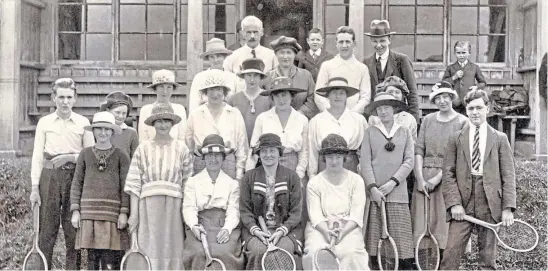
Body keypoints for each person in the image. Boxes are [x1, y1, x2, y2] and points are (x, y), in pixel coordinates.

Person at [440, 89, 516, 270]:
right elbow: (448, 173)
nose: (475, 112)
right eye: (471, 108)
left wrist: (507, 208)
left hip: (489, 202)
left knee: (487, 259)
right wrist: (454, 204)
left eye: (479, 108)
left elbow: (509, 175)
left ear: (487, 109)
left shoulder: (500, 138)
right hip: (463, 200)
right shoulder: (455, 138)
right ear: (466, 110)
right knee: (450, 255)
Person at [29, 78, 94, 270]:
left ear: (75, 99)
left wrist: (69, 157)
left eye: (69, 97)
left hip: (74, 178)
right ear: (53, 98)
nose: (65, 102)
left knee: (73, 229)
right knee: (46, 230)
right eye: (61, 97)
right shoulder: (44, 122)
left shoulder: (83, 122)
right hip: (49, 178)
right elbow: (37, 156)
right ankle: (43, 267)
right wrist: (34, 187)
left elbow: (88, 155)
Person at [124, 103, 193, 270]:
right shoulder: (143, 148)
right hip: (148, 207)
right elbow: (134, 184)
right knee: (149, 247)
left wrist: (186, 213)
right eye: (159, 121)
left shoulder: (181, 148)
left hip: (174, 207)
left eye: (167, 121)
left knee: (172, 247)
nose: (163, 125)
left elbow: (188, 184)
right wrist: (134, 215)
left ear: (172, 123)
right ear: (153, 124)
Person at [410, 81, 468, 263]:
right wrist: (419, 177)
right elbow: (419, 149)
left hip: (448, 177)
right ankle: (425, 263)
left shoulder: (462, 122)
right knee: (423, 221)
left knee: (443, 223)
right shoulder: (427, 120)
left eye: (446, 97)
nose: (442, 101)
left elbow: (460, 156)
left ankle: (445, 263)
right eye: (438, 98)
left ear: (452, 97)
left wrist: (437, 178)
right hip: (424, 177)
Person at [360, 92, 415, 270]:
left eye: (386, 107)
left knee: (400, 239)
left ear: (394, 109)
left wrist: (393, 182)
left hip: (397, 193)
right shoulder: (370, 132)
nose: (383, 112)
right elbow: (365, 162)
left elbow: (409, 161)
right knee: (375, 240)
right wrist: (373, 188)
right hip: (376, 194)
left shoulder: (405, 132)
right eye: (379, 108)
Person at [70, 111, 129, 270]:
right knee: (92, 261)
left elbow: (126, 186)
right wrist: (76, 210)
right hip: (89, 214)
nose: (103, 133)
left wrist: (124, 212)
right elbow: (77, 182)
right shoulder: (85, 154)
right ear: (93, 131)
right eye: (98, 129)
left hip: (111, 216)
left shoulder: (121, 156)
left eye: (106, 129)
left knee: (111, 261)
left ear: (112, 131)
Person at [302, 134, 369, 270]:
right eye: (330, 157)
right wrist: (327, 232)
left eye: (338, 157)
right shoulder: (314, 183)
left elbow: (356, 215)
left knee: (351, 254)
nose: (334, 161)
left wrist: (342, 232)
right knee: (314, 253)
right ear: (323, 158)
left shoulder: (356, 180)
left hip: (348, 228)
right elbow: (315, 216)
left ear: (344, 158)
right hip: (320, 229)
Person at [240, 133, 303, 270]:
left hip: (285, 230)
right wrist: (256, 231)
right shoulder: (249, 177)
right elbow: (245, 211)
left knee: (284, 249)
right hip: (256, 231)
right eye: (264, 151)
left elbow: (296, 212)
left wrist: (281, 231)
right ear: (259, 154)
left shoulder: (292, 177)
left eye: (272, 151)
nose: (268, 155)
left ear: (279, 153)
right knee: (258, 251)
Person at [182, 134, 244, 270]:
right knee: (198, 252)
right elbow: (189, 208)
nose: (213, 159)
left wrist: (227, 229)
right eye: (210, 155)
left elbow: (234, 210)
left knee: (224, 252)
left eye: (217, 155)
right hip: (200, 226)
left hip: (224, 225)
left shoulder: (232, 183)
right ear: (204, 158)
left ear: (223, 158)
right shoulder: (193, 182)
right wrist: (194, 226)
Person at [186, 70, 249, 180]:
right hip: (202, 162)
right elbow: (188, 146)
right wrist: (189, 173)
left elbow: (242, 146)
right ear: (206, 92)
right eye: (211, 89)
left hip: (227, 163)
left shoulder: (234, 114)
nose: (215, 94)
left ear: (224, 92)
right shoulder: (196, 114)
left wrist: (239, 173)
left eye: (219, 89)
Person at [246, 76, 309, 179]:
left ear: (292, 96)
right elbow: (253, 148)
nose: (281, 100)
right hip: (267, 164)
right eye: (276, 95)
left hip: (293, 166)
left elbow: (304, 152)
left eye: (284, 95)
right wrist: (249, 173)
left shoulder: (301, 119)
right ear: (272, 98)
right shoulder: (262, 118)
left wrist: (299, 174)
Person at [308, 77, 368, 179]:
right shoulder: (316, 121)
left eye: (341, 93)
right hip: (325, 166)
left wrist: (363, 172)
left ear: (346, 96)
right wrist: (312, 175)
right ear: (328, 96)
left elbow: (366, 150)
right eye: (334, 93)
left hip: (351, 167)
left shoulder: (358, 119)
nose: (338, 96)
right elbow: (312, 151)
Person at [363, 20, 420, 122]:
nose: (378, 45)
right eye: (375, 41)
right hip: (376, 117)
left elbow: (412, 94)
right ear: (371, 40)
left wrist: (414, 121)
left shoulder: (401, 60)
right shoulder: (366, 62)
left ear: (389, 40)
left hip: (398, 117)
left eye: (382, 41)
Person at [315, 26, 371, 114]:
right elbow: (318, 95)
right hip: (330, 116)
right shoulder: (327, 66)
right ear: (336, 43)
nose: (344, 45)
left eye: (348, 42)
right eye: (341, 42)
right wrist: (331, 112)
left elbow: (365, 97)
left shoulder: (362, 68)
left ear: (354, 43)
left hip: (354, 117)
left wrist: (352, 114)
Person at [263, 36, 319, 120]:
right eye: (282, 52)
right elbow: (264, 102)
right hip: (274, 121)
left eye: (289, 52)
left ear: (294, 55)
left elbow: (312, 99)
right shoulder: (267, 77)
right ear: (276, 54)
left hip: (300, 120)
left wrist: (300, 113)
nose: (285, 56)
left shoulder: (306, 75)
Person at [188, 38, 240, 113]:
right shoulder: (199, 77)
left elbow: (236, 103)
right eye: (212, 57)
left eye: (218, 56)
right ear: (208, 58)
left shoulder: (233, 78)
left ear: (224, 57)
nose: (215, 60)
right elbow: (194, 105)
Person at [227, 58, 272, 140]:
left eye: (255, 75)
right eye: (249, 75)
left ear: (260, 77)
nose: (252, 79)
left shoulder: (269, 97)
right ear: (244, 76)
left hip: (263, 143)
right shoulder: (234, 99)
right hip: (240, 142)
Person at [138, 69, 187, 142]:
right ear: (155, 89)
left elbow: (182, 138)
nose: (165, 91)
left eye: (169, 87)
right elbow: (143, 139)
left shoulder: (179, 109)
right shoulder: (145, 110)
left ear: (173, 89)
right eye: (161, 87)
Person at [442, 41, 487, 115]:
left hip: (469, 101)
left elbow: (483, 83)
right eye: (458, 53)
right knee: (455, 121)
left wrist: (476, 87)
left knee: (468, 121)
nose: (461, 55)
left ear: (469, 53)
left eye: (464, 53)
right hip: (455, 102)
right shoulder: (450, 68)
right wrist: (454, 77)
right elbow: (444, 83)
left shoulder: (474, 67)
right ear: (455, 53)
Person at [368, 76, 417, 140]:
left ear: (402, 96)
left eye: (397, 92)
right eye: (390, 92)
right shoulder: (374, 118)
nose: (394, 95)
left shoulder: (409, 119)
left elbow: (412, 143)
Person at [99, 91, 139, 158]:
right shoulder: (99, 130)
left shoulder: (132, 133)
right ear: (107, 110)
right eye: (117, 112)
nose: (120, 116)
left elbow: (136, 158)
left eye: (124, 113)